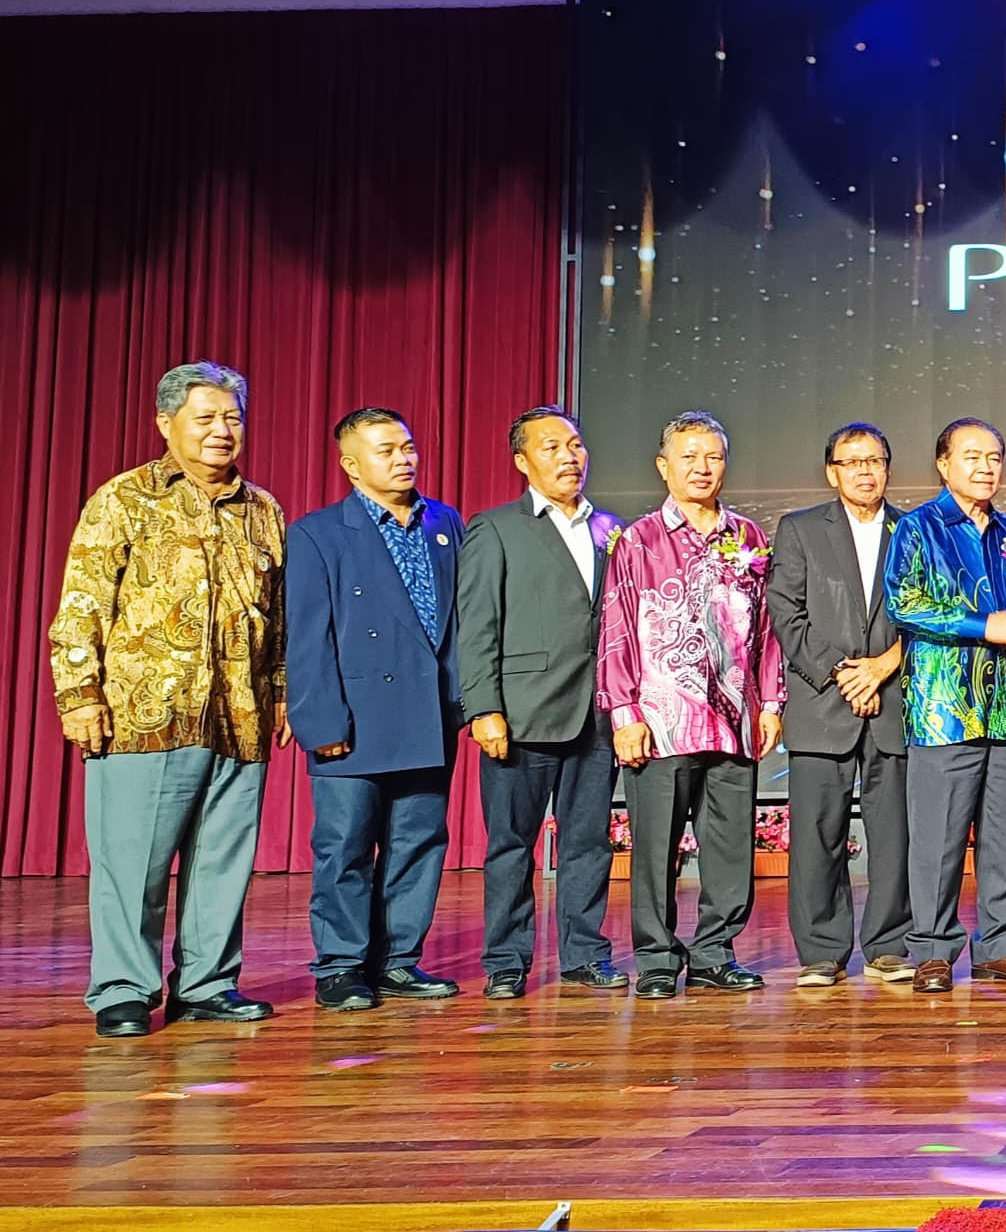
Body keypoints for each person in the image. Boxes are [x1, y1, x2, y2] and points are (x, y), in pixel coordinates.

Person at [51, 362, 285, 1038]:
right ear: (165, 423)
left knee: (223, 863)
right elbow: (83, 605)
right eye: (205, 417)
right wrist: (79, 695)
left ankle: (207, 984)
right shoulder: (124, 499)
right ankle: (123, 989)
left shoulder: (262, 510)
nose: (221, 431)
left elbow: (279, 619)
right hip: (143, 717)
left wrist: (279, 694)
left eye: (232, 417)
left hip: (238, 715)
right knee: (133, 865)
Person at [597, 411, 785, 1001]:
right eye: (689, 457)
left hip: (733, 718)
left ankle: (713, 954)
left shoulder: (748, 537)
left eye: (713, 457)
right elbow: (616, 628)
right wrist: (624, 713)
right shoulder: (638, 541)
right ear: (664, 467)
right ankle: (656, 957)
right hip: (661, 720)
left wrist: (770, 701)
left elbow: (767, 629)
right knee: (656, 846)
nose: (702, 468)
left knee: (729, 845)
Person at [286, 409, 466, 1010]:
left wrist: (465, 700)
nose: (403, 459)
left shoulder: (443, 522)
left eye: (407, 447)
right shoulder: (318, 533)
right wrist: (320, 720)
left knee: (419, 840)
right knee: (345, 846)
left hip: (430, 711)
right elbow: (306, 637)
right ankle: (340, 966)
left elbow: (461, 620)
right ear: (351, 465)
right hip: (354, 717)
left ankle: (398, 960)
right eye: (385, 450)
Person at [883, 418, 1006, 995]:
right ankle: (932, 950)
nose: (985, 467)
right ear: (943, 464)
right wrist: (989, 625)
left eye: (994, 457)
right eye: (972, 456)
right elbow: (904, 604)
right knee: (937, 838)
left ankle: (1001, 946)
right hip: (944, 709)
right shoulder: (917, 528)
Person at [457, 406, 628, 1000]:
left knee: (589, 843)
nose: (568, 456)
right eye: (551, 446)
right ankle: (506, 960)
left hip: (597, 714)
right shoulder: (496, 528)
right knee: (511, 845)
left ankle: (585, 953)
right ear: (522, 461)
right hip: (522, 713)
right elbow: (477, 624)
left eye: (575, 445)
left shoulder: (612, 529)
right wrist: (484, 707)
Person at [767, 423, 913, 988]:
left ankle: (889, 944)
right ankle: (822, 951)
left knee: (894, 835)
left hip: (894, 702)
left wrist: (882, 669)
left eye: (874, 461)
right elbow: (787, 613)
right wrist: (845, 673)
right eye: (852, 463)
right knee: (817, 835)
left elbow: (928, 616)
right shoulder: (800, 529)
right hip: (823, 702)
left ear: (888, 468)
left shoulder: (912, 530)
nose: (864, 472)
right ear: (833, 473)